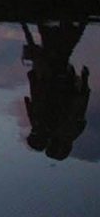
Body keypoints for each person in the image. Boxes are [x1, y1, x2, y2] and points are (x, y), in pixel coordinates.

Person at [22, 22, 91, 161]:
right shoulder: (62, 129)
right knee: (59, 51)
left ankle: (74, 23)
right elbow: (79, 104)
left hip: (56, 81)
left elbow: (35, 101)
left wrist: (84, 82)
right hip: (56, 82)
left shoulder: (62, 129)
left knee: (59, 51)